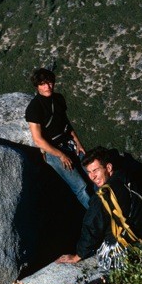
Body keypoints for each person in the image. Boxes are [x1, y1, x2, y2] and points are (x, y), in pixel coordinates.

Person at [55, 146, 142, 267]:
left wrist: (78, 255)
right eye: (89, 172)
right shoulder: (127, 175)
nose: (92, 177)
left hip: (129, 245)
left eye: (96, 170)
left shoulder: (103, 196)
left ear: (108, 167)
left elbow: (91, 226)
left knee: (103, 242)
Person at [25, 67, 92, 209]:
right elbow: (38, 140)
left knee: (93, 176)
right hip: (54, 150)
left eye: (49, 82)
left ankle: (106, 207)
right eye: (43, 84)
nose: (47, 87)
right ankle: (99, 217)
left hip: (69, 143)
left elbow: (66, 123)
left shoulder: (59, 99)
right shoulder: (34, 108)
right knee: (81, 187)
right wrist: (61, 155)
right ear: (37, 87)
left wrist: (79, 144)